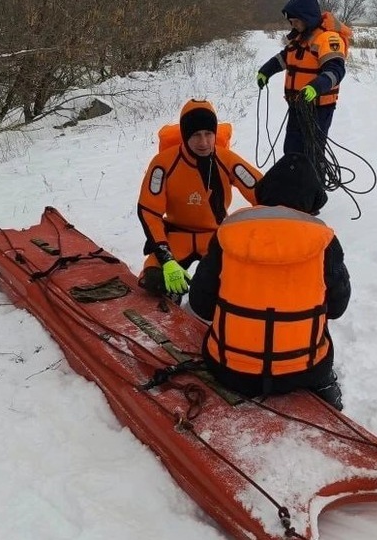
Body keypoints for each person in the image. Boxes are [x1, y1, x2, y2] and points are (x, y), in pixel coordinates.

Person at [188, 152, 350, 410]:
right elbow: (338, 307)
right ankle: (323, 384)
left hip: (230, 370)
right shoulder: (324, 242)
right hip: (306, 370)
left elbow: (200, 304)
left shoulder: (227, 233)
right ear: (312, 202)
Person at [137, 99, 262, 299]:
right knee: (155, 281)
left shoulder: (227, 159)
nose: (203, 142)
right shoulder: (163, 163)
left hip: (214, 236)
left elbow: (262, 193)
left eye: (208, 134)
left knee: (229, 285)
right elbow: (149, 211)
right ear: (185, 136)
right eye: (196, 135)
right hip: (176, 236)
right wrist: (166, 258)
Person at [256, 0, 350, 161]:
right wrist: (266, 71)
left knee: (312, 153)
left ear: (308, 17)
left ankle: (315, 183)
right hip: (298, 105)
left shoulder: (328, 39)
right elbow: (285, 57)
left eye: (296, 21)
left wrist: (316, 87)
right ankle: (293, 183)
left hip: (318, 108)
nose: (294, 25)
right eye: (291, 22)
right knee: (292, 149)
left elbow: (336, 70)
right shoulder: (301, 38)